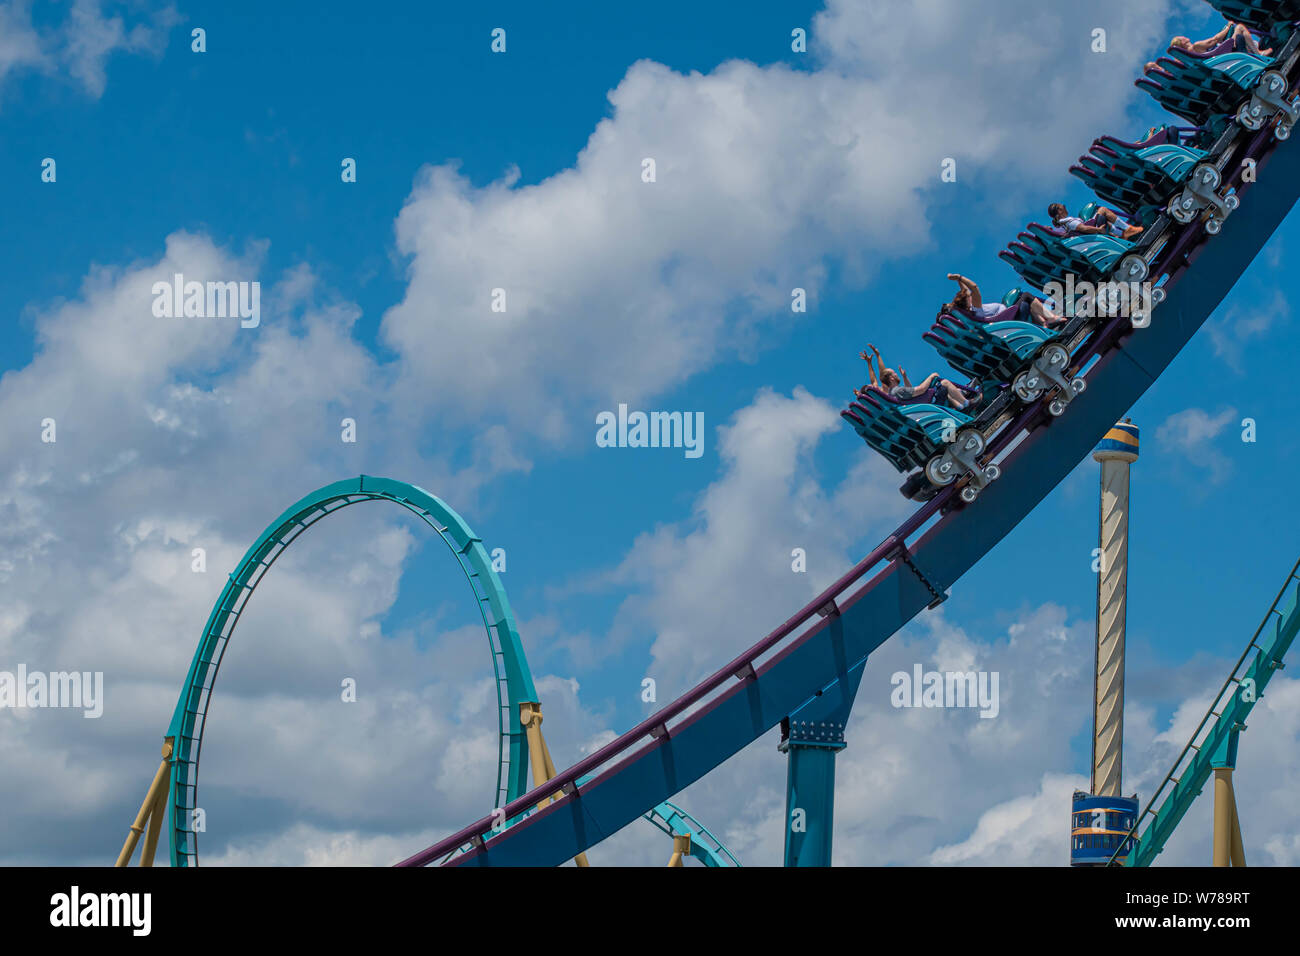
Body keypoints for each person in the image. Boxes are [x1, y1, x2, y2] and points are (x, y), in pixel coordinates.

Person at [858, 343, 974, 410]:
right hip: (928, 404)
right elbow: (882, 375)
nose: (876, 386)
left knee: (942, 389)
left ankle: (961, 402)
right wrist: (878, 356)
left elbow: (909, 393)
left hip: (920, 403)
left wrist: (869, 362)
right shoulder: (886, 394)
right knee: (943, 384)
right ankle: (966, 401)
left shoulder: (886, 397)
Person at [944, 273, 1066, 329]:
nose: (970, 296)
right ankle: (1051, 318)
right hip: (1012, 320)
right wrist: (960, 277)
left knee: (1024, 301)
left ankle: (1044, 324)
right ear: (966, 303)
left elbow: (965, 293)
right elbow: (974, 288)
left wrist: (957, 280)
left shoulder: (969, 312)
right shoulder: (975, 309)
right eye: (968, 297)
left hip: (1010, 318)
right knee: (1026, 296)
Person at [1145, 21, 1272, 70]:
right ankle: (1259, 54)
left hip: (1220, 58)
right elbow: (1214, 40)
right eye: (1181, 37)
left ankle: (1255, 50)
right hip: (1225, 53)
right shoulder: (1195, 47)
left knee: (1239, 36)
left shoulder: (1190, 56)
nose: (1184, 37)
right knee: (1239, 28)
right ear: (1182, 42)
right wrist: (1228, 27)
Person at [1047, 203, 1144, 241]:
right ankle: (1128, 229)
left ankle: (1121, 235)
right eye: (1063, 206)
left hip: (1090, 233)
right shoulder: (1068, 222)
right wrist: (1098, 229)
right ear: (1059, 211)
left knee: (1105, 222)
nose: (1065, 207)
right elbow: (1083, 228)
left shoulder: (1064, 224)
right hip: (1092, 233)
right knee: (1103, 210)